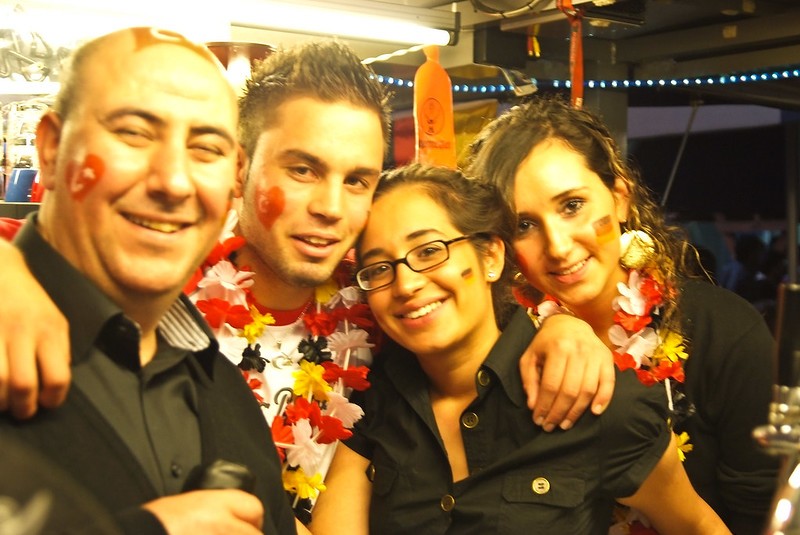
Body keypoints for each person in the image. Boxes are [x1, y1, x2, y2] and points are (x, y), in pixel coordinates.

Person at [0, 38, 619, 521]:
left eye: (357, 180)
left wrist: (561, 326)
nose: (330, 206)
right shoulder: (161, 267)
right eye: (302, 169)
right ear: (240, 167)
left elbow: (476, 308)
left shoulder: (378, 299)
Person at [307, 164, 729, 534]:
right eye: (379, 268)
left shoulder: (595, 397)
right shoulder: (374, 396)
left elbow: (695, 525)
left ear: (490, 256)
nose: (407, 283)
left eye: (430, 251)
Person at [0, 27, 296, 534]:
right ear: (50, 150)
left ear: (234, 179)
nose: (173, 181)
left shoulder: (227, 395)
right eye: (133, 133)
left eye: (206, 148)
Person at [466, 96, 780, 534]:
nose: (558, 245)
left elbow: (766, 514)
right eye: (524, 225)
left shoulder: (725, 332)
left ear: (619, 199)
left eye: (572, 205)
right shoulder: (497, 350)